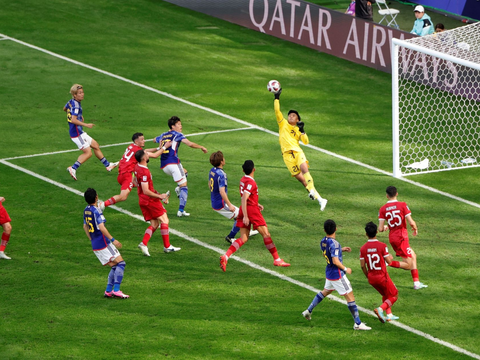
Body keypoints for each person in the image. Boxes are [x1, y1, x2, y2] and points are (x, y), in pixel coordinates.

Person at [219, 160, 290, 271]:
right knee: (266, 234)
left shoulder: (243, 179)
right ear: (254, 169)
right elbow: (244, 197)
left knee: (243, 238)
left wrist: (256, 203)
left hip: (244, 209)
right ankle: (277, 259)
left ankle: (226, 256)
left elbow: (246, 197)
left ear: (243, 170)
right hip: (251, 211)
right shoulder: (251, 183)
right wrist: (247, 216)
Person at [302, 219, 371, 330]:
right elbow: (335, 261)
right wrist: (346, 269)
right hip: (337, 274)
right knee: (350, 296)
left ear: (325, 230)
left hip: (329, 272)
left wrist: (341, 249)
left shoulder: (323, 241)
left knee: (325, 291)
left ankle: (308, 310)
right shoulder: (335, 243)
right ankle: (358, 324)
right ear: (336, 229)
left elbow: (329, 253)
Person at [272, 89, 327, 211]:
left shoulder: (298, 130)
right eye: (290, 115)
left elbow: (306, 141)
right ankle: (321, 200)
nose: (290, 116)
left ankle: (313, 191)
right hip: (286, 156)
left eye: (293, 115)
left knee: (304, 169)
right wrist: (277, 97)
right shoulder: (283, 123)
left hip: (297, 152)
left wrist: (302, 131)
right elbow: (277, 110)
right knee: (302, 180)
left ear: (297, 120)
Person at [99, 133, 171, 210]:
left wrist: (157, 148)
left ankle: (162, 197)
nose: (144, 141)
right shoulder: (138, 150)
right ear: (136, 141)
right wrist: (164, 147)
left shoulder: (132, 146)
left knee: (145, 185)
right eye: (142, 139)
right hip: (127, 175)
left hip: (122, 174)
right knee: (123, 196)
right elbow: (155, 155)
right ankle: (102, 204)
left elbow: (144, 151)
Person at [154, 116, 208, 217]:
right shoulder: (177, 134)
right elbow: (189, 143)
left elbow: (154, 140)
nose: (181, 126)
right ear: (172, 126)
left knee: (185, 172)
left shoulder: (163, 135)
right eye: (178, 124)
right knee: (184, 186)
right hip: (173, 163)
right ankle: (181, 210)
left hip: (164, 166)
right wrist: (201, 147)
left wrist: (160, 142)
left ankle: (178, 189)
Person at [64, 84, 118, 180]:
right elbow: (73, 120)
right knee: (88, 153)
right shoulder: (76, 106)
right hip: (76, 134)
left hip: (79, 132)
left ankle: (108, 165)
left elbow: (65, 109)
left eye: (82, 92)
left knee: (95, 145)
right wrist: (85, 124)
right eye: (79, 93)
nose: (82, 94)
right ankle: (73, 168)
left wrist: (78, 117)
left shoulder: (71, 102)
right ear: (75, 95)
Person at [378, 186, 428, 290]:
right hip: (401, 237)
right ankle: (387, 262)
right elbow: (411, 221)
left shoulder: (382, 209)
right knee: (408, 264)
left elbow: (380, 228)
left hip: (393, 237)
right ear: (397, 193)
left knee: (413, 255)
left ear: (387, 195)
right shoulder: (402, 205)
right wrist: (415, 228)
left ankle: (416, 283)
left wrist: (387, 226)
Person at [83, 188, 129, 298]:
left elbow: (85, 226)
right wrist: (113, 239)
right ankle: (116, 290)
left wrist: (91, 239)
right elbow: (102, 227)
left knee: (115, 266)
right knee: (121, 264)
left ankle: (108, 291)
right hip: (103, 243)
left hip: (95, 244)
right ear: (96, 197)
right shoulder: (96, 211)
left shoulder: (86, 210)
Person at [134, 149, 181, 256]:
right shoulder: (145, 171)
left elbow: (136, 183)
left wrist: (159, 195)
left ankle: (143, 243)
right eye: (146, 154)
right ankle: (167, 246)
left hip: (142, 200)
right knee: (165, 220)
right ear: (144, 158)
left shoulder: (136, 166)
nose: (148, 154)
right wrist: (159, 196)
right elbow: (146, 190)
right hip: (149, 201)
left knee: (155, 224)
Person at [360, 222, 409, 323]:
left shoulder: (363, 248)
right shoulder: (382, 246)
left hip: (371, 278)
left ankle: (389, 315)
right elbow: (389, 262)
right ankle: (380, 309)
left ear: (366, 234)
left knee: (386, 294)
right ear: (377, 232)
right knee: (394, 295)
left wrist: (367, 276)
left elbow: (362, 265)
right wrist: (389, 257)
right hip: (382, 276)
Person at [208, 151, 258, 244]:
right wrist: (229, 205)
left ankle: (247, 231)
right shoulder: (222, 174)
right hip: (221, 203)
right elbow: (222, 191)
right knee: (241, 215)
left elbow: (209, 184)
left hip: (215, 201)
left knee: (240, 213)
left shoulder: (212, 171)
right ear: (222, 161)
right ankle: (230, 237)